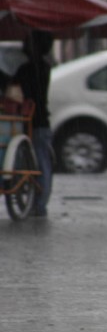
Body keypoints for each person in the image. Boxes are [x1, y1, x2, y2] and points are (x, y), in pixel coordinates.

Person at [13, 30, 55, 217]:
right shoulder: (44, 67)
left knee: (38, 162)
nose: (24, 43)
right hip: (39, 121)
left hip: (33, 121)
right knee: (41, 162)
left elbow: (16, 88)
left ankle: (38, 204)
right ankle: (39, 202)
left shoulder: (29, 69)